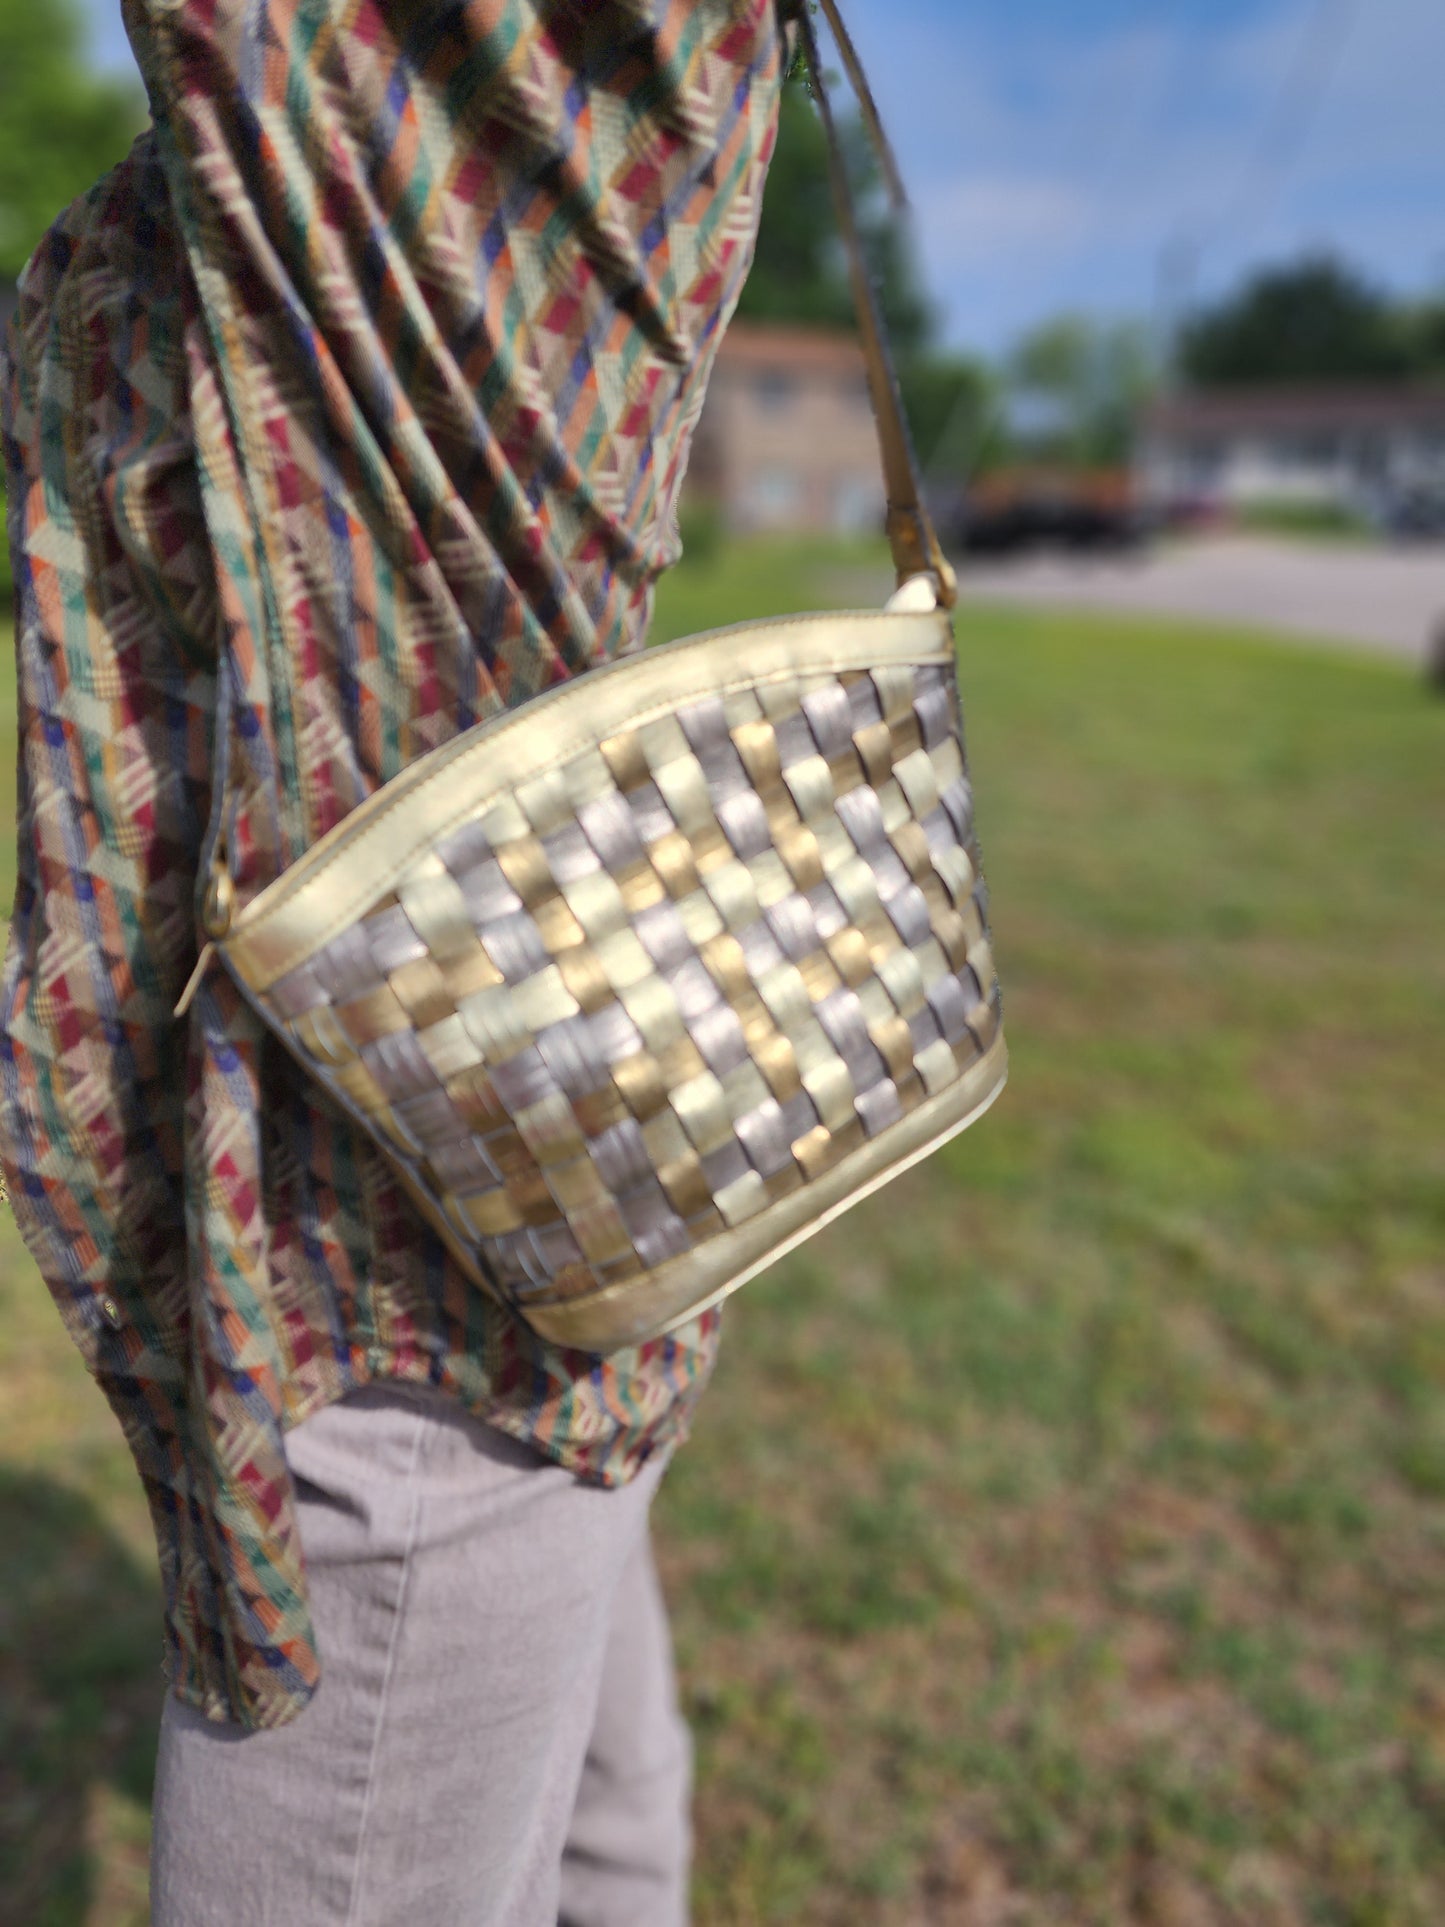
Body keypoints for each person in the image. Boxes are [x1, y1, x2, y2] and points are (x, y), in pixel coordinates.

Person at [0, 2, 793, 1918]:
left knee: (420, 1415)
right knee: (550, 1396)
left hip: (416, 1123)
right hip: (551, 1118)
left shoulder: (431, 110)